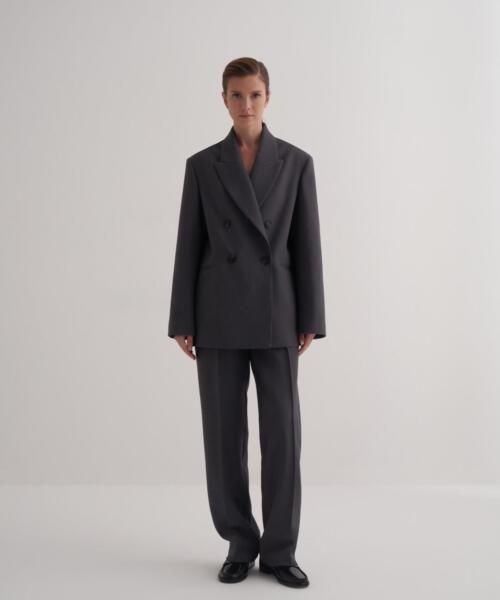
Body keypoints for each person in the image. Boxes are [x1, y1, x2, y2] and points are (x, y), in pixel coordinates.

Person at [168, 57, 326, 588]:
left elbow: (307, 245)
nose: (246, 104)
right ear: (224, 99)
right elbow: (189, 244)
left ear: (268, 97)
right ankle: (239, 541)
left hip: (278, 313)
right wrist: (182, 317)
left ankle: (280, 550)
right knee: (223, 435)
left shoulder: (297, 162)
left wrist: (311, 316)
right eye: (236, 95)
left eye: (255, 94)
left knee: (283, 435)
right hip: (217, 314)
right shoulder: (202, 165)